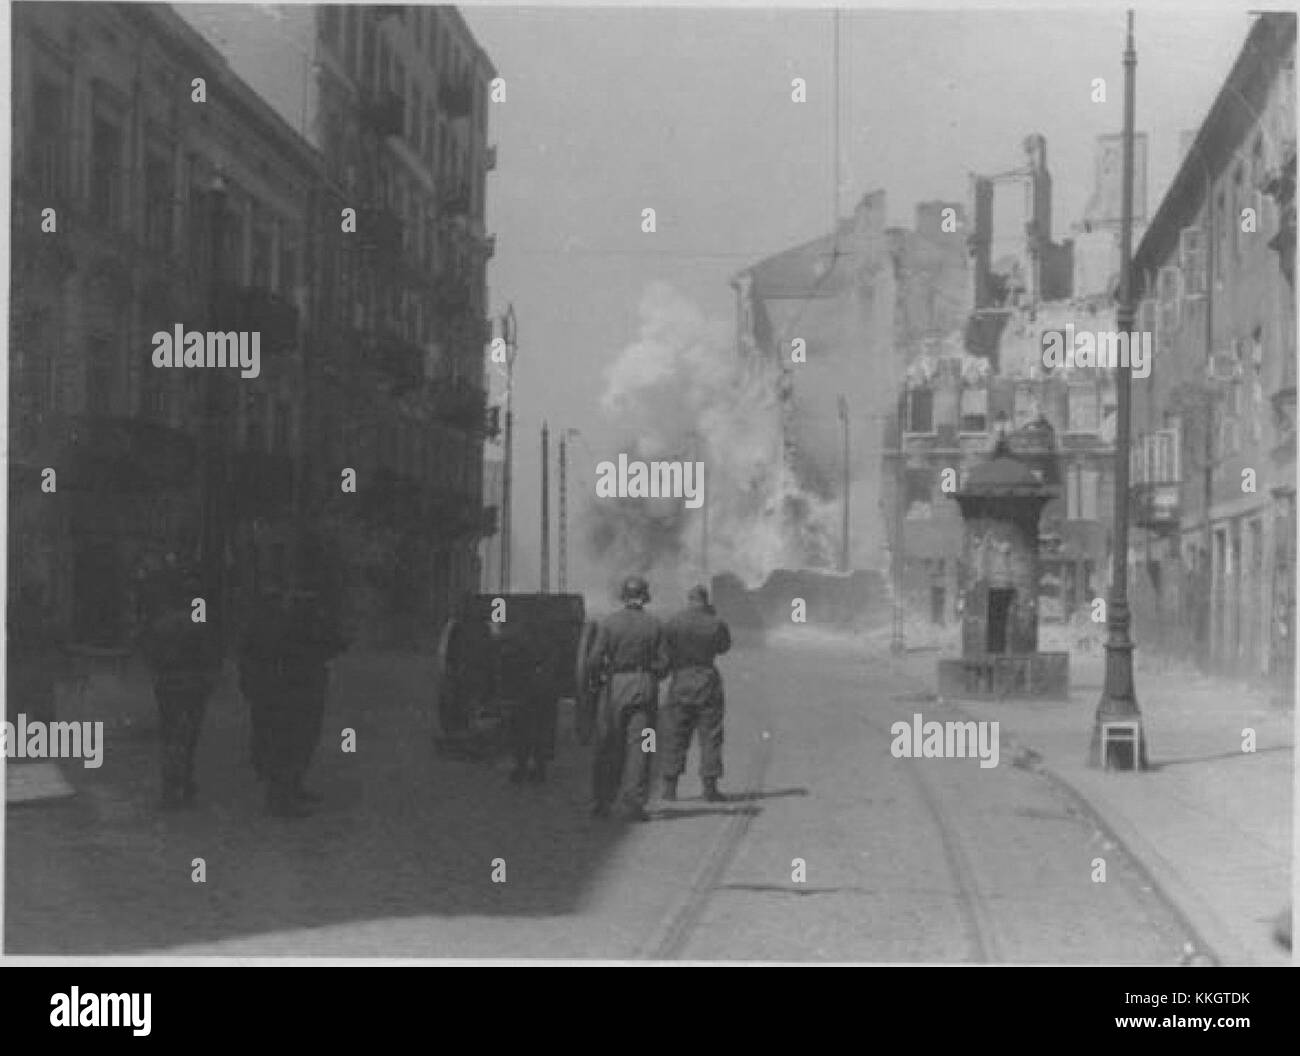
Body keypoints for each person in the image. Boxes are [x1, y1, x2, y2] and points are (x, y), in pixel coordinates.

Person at [587, 575, 668, 822]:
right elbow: (665, 663)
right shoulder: (655, 625)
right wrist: (652, 673)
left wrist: (599, 679)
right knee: (643, 746)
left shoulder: (610, 623)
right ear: (644, 596)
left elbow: (593, 660)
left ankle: (603, 801)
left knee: (608, 743)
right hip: (645, 687)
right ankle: (634, 803)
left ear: (623, 596)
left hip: (614, 688)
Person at [140, 570, 223, 809]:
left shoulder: (162, 622)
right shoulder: (199, 624)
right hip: (194, 685)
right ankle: (184, 782)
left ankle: (169, 787)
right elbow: (210, 656)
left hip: (168, 685)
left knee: (169, 736)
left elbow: (150, 654)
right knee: (190, 737)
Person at [661, 584, 732, 802]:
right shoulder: (716, 623)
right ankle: (710, 788)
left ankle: (669, 788)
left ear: (689, 600)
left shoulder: (673, 622)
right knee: (710, 736)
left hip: (681, 681)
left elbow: (665, 651)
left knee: (675, 735)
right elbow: (723, 647)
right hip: (707, 682)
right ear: (705, 600)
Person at [494, 622, 558, 783]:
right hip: (539, 691)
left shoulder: (515, 647)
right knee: (537, 730)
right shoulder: (545, 644)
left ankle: (524, 768)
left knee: (522, 730)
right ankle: (537, 768)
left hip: (526, 693)